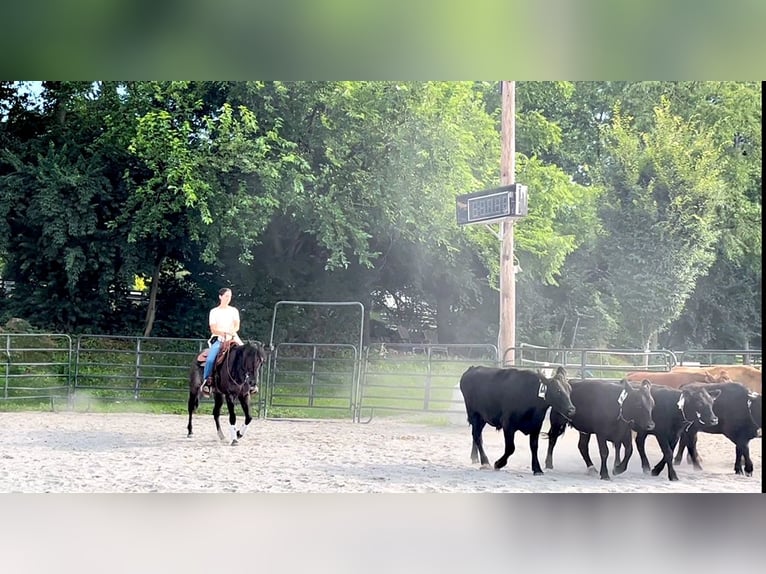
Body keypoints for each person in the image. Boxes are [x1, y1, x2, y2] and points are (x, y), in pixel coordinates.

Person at [201, 287, 243, 397]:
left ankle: (249, 382)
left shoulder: (234, 310)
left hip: (233, 337)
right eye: (226, 296)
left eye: (230, 296)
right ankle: (207, 381)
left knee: (246, 355)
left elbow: (236, 325)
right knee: (210, 359)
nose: (228, 298)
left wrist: (231, 332)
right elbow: (213, 329)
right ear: (220, 297)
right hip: (219, 338)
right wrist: (224, 333)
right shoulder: (214, 312)